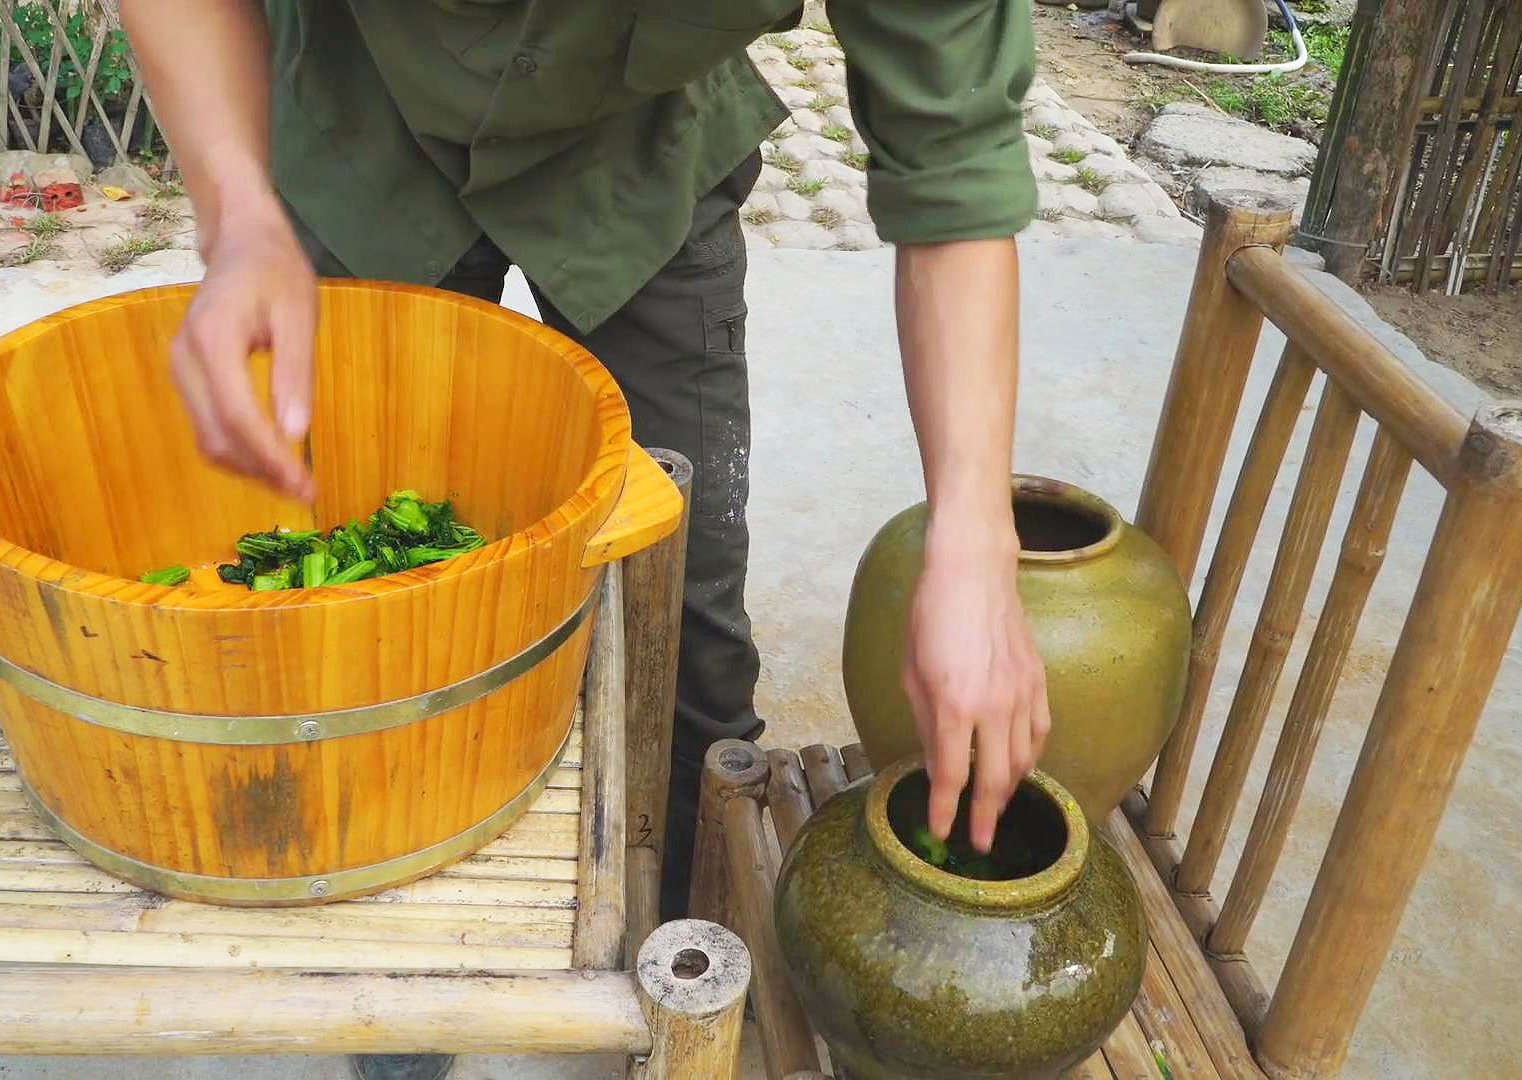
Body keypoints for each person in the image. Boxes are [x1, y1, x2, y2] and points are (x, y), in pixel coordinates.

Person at [123, 3, 1049, 1077]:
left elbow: (956, 156)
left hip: (641, 159)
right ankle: (398, 1016)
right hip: (362, 122)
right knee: (379, 631)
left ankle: (683, 990)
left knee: (690, 641)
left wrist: (977, 545)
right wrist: (237, 215)